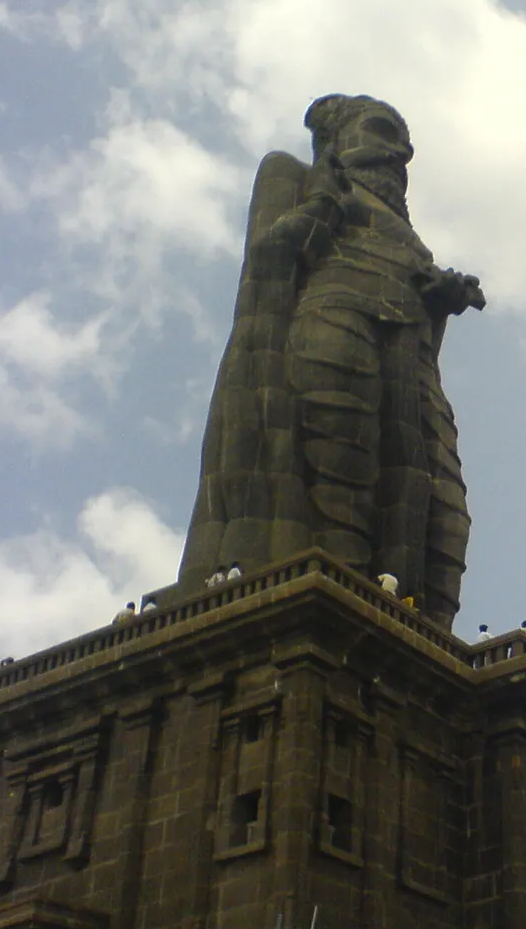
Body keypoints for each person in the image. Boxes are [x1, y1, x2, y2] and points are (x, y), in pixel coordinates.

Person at [177, 95, 485, 633]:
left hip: (410, 357)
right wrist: (325, 203)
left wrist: (441, 297)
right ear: (337, 139)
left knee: (443, 507)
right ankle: (337, 618)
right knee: (345, 482)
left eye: (405, 142)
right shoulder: (291, 175)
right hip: (334, 327)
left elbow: (424, 316)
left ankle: (428, 630)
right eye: (385, 132)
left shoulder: (408, 234)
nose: (401, 153)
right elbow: (271, 256)